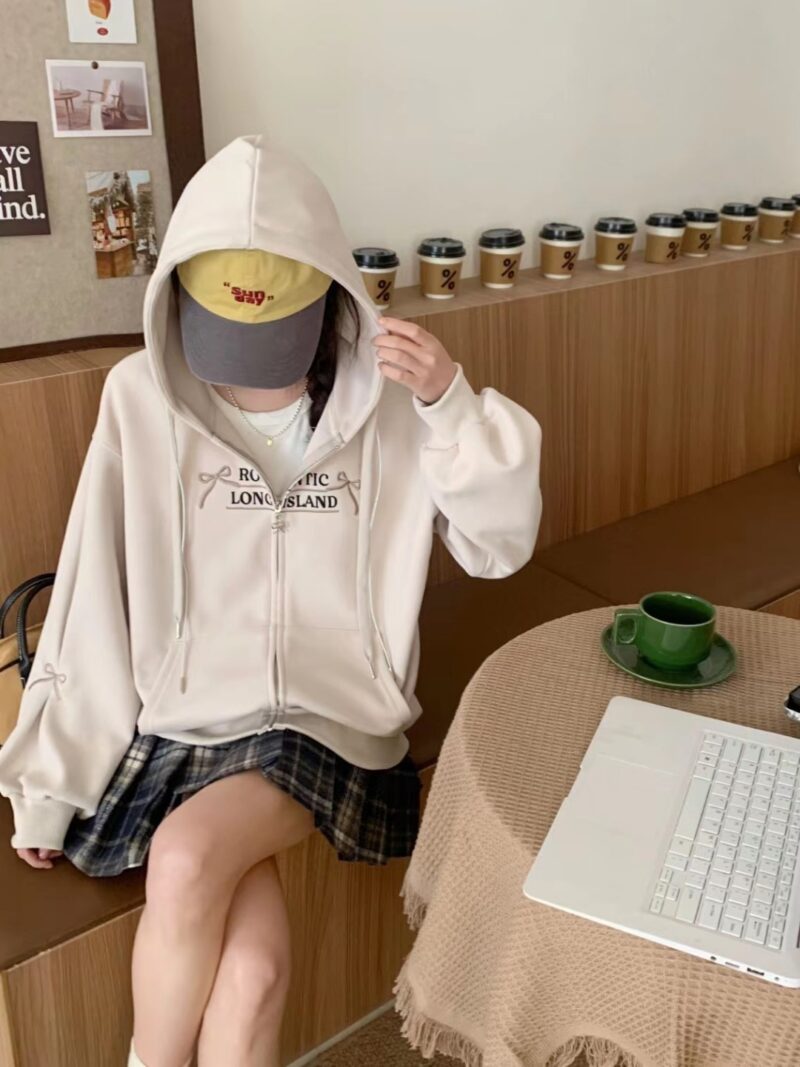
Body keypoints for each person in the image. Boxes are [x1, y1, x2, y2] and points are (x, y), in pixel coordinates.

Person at [0, 134, 543, 1067]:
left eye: (271, 345)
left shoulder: (396, 401)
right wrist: (50, 787)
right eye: (225, 340)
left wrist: (451, 405)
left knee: (183, 858)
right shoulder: (140, 396)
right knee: (250, 974)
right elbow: (94, 594)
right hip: (189, 718)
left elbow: (499, 548)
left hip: (334, 715)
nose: (244, 371)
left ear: (330, 303)